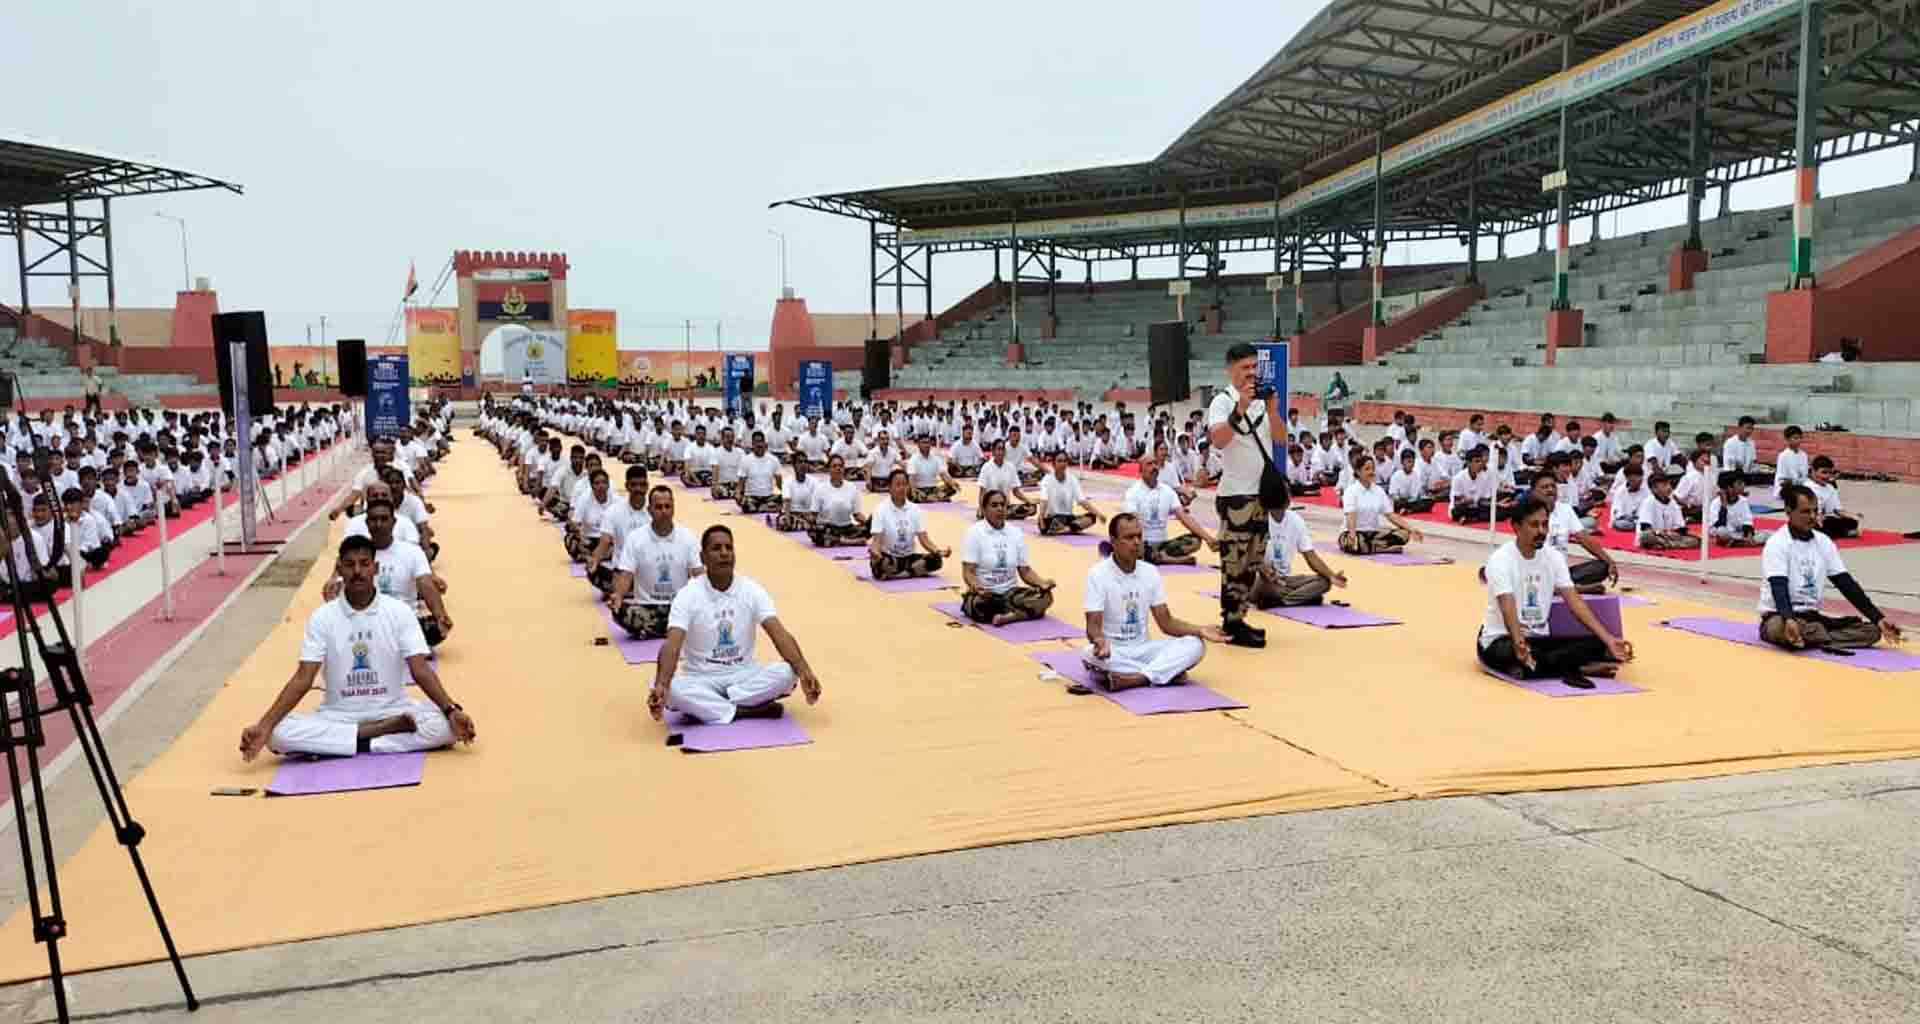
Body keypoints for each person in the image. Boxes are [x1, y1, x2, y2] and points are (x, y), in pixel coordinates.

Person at [239, 535, 476, 760]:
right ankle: (373, 735)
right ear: (340, 570)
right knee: (277, 734)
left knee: (446, 728)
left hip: (393, 709)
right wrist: (264, 726)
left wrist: (450, 710)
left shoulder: (399, 612)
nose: (357, 572)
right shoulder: (323, 617)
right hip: (339, 715)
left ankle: (347, 744)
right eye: (350, 565)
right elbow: (304, 678)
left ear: (376, 568)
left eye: (364, 564)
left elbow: (420, 670)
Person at [648, 525, 822, 725]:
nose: (724, 554)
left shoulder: (751, 589)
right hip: (701, 678)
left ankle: (713, 708)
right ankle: (747, 710)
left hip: (744, 675)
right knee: (673, 690)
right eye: (716, 548)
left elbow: (778, 633)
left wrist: (805, 671)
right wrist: (661, 685)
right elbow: (672, 644)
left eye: (728, 548)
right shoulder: (688, 595)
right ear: (703, 557)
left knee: (788, 673)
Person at [1476, 497, 1633, 687]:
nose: (1541, 531)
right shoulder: (1501, 559)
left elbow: (1575, 602)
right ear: (1516, 527)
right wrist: (1518, 642)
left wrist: (1608, 639)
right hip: (1502, 639)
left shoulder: (1553, 557)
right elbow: (1507, 604)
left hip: (1538, 640)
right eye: (1534, 525)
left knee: (1598, 645)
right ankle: (1579, 668)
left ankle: (1549, 666)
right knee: (1514, 655)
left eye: (1545, 524)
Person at [1077, 513, 1227, 690]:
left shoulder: (1150, 572)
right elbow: (1093, 627)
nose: (1136, 542)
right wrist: (1100, 641)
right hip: (1113, 651)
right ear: (1113, 541)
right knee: (1088, 654)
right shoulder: (1098, 574)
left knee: (1195, 645)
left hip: (1144, 649)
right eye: (1129, 537)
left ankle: (1135, 678)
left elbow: (1167, 623)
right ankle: (1165, 673)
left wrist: (1200, 630)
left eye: (1139, 536)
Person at [1756, 483, 1901, 652]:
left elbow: (1845, 583)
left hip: (1811, 619)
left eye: (1815, 511)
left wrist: (1878, 618)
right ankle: (1810, 635)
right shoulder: (1777, 543)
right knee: (1781, 628)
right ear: (1788, 511)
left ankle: (1812, 638)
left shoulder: (1823, 542)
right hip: (1779, 616)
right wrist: (1789, 619)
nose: (1812, 516)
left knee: (1873, 632)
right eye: (1805, 511)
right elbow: (1778, 587)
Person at [1207, 343, 1278, 648]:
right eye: (1244, 368)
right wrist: (1241, 408)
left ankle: (1241, 616)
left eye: (1253, 367)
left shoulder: (1261, 403)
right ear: (1230, 370)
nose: (1251, 373)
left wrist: (1273, 409)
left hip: (1261, 494)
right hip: (1236, 495)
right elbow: (1219, 440)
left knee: (1253, 561)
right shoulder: (1222, 402)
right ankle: (1231, 622)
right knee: (1233, 562)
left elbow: (1279, 438)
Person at [326, 497, 454, 646]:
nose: (379, 524)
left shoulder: (411, 551)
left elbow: (426, 583)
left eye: (384, 519)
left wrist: (440, 616)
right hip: (365, 619)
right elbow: (340, 582)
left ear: (393, 522)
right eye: (373, 519)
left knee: (434, 628)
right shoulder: (356, 554)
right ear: (367, 523)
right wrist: (334, 584)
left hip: (403, 622)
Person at [608, 486, 702, 639]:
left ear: (673, 508)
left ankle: (655, 629)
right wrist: (618, 595)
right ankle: (673, 630)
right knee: (620, 612)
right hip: (646, 607)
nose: (664, 511)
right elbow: (626, 575)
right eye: (658, 507)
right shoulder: (635, 538)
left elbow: (698, 574)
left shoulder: (687, 536)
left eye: (667, 506)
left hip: (679, 606)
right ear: (649, 510)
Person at [960, 489, 1056, 626]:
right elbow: (968, 572)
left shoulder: (1015, 533)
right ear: (984, 509)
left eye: (1002, 505)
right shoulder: (974, 533)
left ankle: (1011, 617)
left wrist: (1042, 583)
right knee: (980, 605)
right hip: (986, 594)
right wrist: (977, 587)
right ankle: (1019, 612)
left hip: (1010, 593)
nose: (999, 509)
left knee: (1045, 598)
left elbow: (1025, 571)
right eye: (994, 505)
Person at [1251, 486, 1346, 608]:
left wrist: (1331, 576)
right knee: (1264, 585)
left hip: (1285, 580)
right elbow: (1250, 555)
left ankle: (1283, 601)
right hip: (1263, 579)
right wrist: (1265, 570)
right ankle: (1302, 598)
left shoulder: (1296, 520)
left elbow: (1311, 556)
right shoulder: (1260, 520)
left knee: (1324, 582)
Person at [1122, 453, 1216, 565]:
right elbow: (1132, 522)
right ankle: (1171, 559)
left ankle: (1161, 557)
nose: (1154, 467)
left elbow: (1184, 517)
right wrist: (1140, 544)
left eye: (1155, 464)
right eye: (1149, 464)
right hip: (1142, 543)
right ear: (1141, 471)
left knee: (1195, 541)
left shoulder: (1167, 491)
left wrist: (1208, 538)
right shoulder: (1133, 492)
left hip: (1163, 545)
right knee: (1131, 546)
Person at [1526, 472, 1614, 592]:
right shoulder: (1526, 513)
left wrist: (1610, 561)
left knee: (1602, 566)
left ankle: (1563, 587)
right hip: (1536, 572)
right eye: (1544, 487)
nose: (1550, 490)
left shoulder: (1565, 509)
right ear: (1533, 492)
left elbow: (1584, 538)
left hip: (1562, 573)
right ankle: (1573, 588)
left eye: (1553, 486)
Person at [867, 469, 949, 579]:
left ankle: (901, 574)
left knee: (936, 560)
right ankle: (911, 571)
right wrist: (875, 553)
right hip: (890, 558)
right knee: (881, 564)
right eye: (898, 485)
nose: (902, 488)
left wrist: (938, 551)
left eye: (905, 484)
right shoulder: (880, 509)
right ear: (890, 488)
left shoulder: (915, 509)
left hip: (909, 557)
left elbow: (924, 539)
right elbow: (876, 540)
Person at [1339, 455, 1423, 555]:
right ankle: (1382, 549)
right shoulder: (1351, 491)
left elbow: (1390, 515)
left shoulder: (1378, 491)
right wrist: (1352, 535)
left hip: (1373, 534)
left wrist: (1411, 529)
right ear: (1358, 472)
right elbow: (1351, 515)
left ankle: (1373, 547)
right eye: (1367, 469)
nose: (1371, 472)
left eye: (1373, 469)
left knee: (1404, 534)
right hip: (1353, 533)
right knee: (1355, 544)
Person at [808, 455, 869, 547]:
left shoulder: (852, 487)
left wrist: (869, 524)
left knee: (872, 525)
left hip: (847, 528)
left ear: (844, 469)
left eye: (840, 466)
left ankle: (840, 540)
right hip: (828, 528)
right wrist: (809, 523)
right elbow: (813, 515)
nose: (838, 468)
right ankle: (850, 541)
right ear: (829, 469)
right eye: (834, 466)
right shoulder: (820, 488)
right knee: (815, 531)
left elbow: (857, 515)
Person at [1037, 451, 1102, 535]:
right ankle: (1066, 528)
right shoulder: (1047, 479)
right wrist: (1041, 516)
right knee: (1045, 524)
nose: (1063, 464)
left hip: (1068, 517)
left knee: (1091, 517)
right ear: (1053, 464)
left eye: (1065, 461)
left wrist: (1099, 514)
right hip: (1053, 517)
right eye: (1059, 461)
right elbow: (1044, 500)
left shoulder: (1072, 479)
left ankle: (1065, 529)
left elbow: (1082, 501)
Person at [1708, 470, 1771, 548]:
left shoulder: (1743, 501)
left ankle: (1739, 543)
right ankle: (1740, 542)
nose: (1743, 485)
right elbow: (1719, 525)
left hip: (1739, 534)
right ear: (1729, 487)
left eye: (1743, 483)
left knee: (1769, 533)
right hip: (1724, 533)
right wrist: (1724, 505)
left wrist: (1749, 535)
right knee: (1721, 531)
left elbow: (1747, 521)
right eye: (1739, 484)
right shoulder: (1716, 503)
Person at [1634, 473, 1693, 550]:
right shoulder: (1648, 502)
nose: (1669, 487)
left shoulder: (1673, 503)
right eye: (1665, 485)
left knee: (1695, 539)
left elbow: (1680, 528)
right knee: (1646, 536)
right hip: (1654, 535)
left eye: (1669, 484)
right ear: (1654, 489)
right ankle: (1667, 544)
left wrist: (1676, 533)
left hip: (1668, 537)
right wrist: (1660, 533)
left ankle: (1665, 545)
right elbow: (1645, 528)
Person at [1807, 455, 1860, 538]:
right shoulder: (1807, 487)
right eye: (1824, 472)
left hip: (1827, 520)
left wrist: (1853, 516)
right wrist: (1817, 517)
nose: (1827, 476)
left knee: (1851, 522)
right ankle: (1841, 533)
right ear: (1813, 472)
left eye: (1830, 473)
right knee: (1817, 525)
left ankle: (1841, 532)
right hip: (1812, 520)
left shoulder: (1830, 488)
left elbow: (1837, 511)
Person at [735, 431, 784, 513]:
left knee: (783, 499)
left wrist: (787, 493)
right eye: (756, 442)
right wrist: (738, 494)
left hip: (768, 497)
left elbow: (779, 484)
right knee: (745, 503)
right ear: (752, 444)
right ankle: (765, 508)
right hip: (752, 497)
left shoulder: (773, 460)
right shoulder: (745, 460)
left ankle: (761, 508)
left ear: (765, 443)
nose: (759, 444)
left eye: (761, 441)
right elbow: (740, 484)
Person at [905, 434, 960, 503]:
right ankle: (935, 498)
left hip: (933, 489)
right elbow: (911, 478)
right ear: (918, 445)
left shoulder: (935, 458)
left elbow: (944, 474)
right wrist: (914, 490)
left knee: (952, 488)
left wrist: (952, 483)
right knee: (911, 493)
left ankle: (931, 498)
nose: (926, 445)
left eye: (928, 442)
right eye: (923, 443)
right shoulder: (914, 459)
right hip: (920, 490)